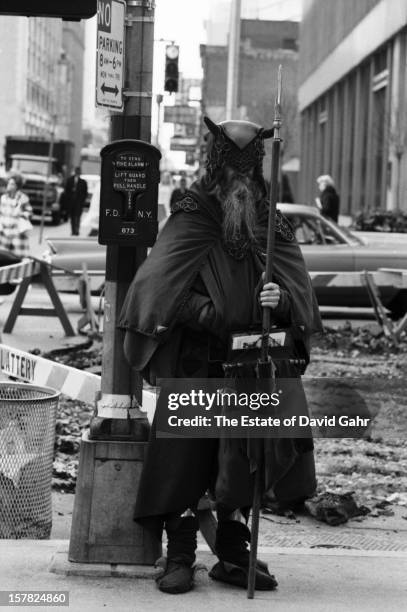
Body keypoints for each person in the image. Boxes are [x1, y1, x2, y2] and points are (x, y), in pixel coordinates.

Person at [119, 117, 322, 595]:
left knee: (244, 459)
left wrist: (282, 302)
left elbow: (300, 294)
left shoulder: (272, 220)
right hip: (198, 360)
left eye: (250, 167)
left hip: (252, 366)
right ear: (217, 162)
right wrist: (212, 313)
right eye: (234, 165)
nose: (242, 179)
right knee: (183, 459)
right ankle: (182, 556)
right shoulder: (192, 212)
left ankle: (233, 553)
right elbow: (158, 289)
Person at [0, 175, 33, 257]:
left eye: (12, 184)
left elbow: (30, 213)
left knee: (19, 257)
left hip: (17, 234)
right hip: (4, 233)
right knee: (4, 258)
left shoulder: (23, 198)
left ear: (17, 186)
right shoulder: (3, 198)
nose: (9, 185)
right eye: (9, 183)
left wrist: (22, 214)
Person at [63, 166, 88, 235]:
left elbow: (85, 193)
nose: (78, 172)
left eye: (79, 171)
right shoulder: (69, 180)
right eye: (77, 171)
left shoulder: (83, 182)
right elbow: (66, 192)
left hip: (79, 203)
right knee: (72, 217)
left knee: (78, 217)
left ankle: (77, 230)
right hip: (71, 203)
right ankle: (73, 230)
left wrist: (82, 201)